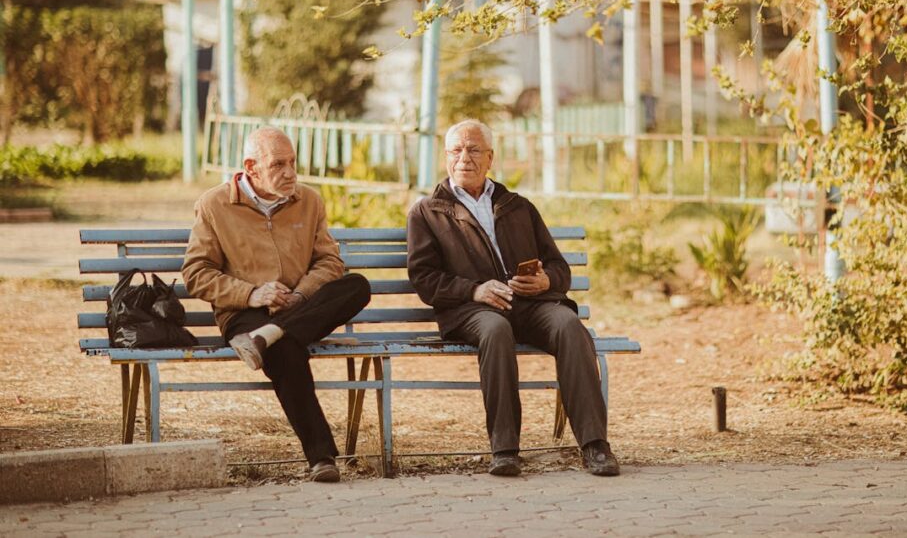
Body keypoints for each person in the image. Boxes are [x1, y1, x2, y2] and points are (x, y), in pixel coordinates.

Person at [407, 119, 621, 477]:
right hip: (471, 309)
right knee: (495, 330)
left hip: (530, 305)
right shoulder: (428, 212)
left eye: (474, 149)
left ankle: (595, 444)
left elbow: (558, 267)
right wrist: (475, 289)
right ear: (445, 157)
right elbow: (425, 279)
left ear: (490, 157)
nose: (465, 158)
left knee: (569, 325)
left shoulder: (517, 205)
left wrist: (544, 280)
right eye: (456, 150)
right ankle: (504, 449)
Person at [182, 126, 371, 483]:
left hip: (299, 306)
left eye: (293, 162)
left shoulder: (309, 200)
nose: (290, 173)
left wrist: (300, 294)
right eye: (278, 164)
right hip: (244, 313)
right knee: (287, 353)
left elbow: (330, 262)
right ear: (251, 167)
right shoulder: (214, 204)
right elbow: (196, 273)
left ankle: (269, 335)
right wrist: (252, 294)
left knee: (357, 286)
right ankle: (322, 458)